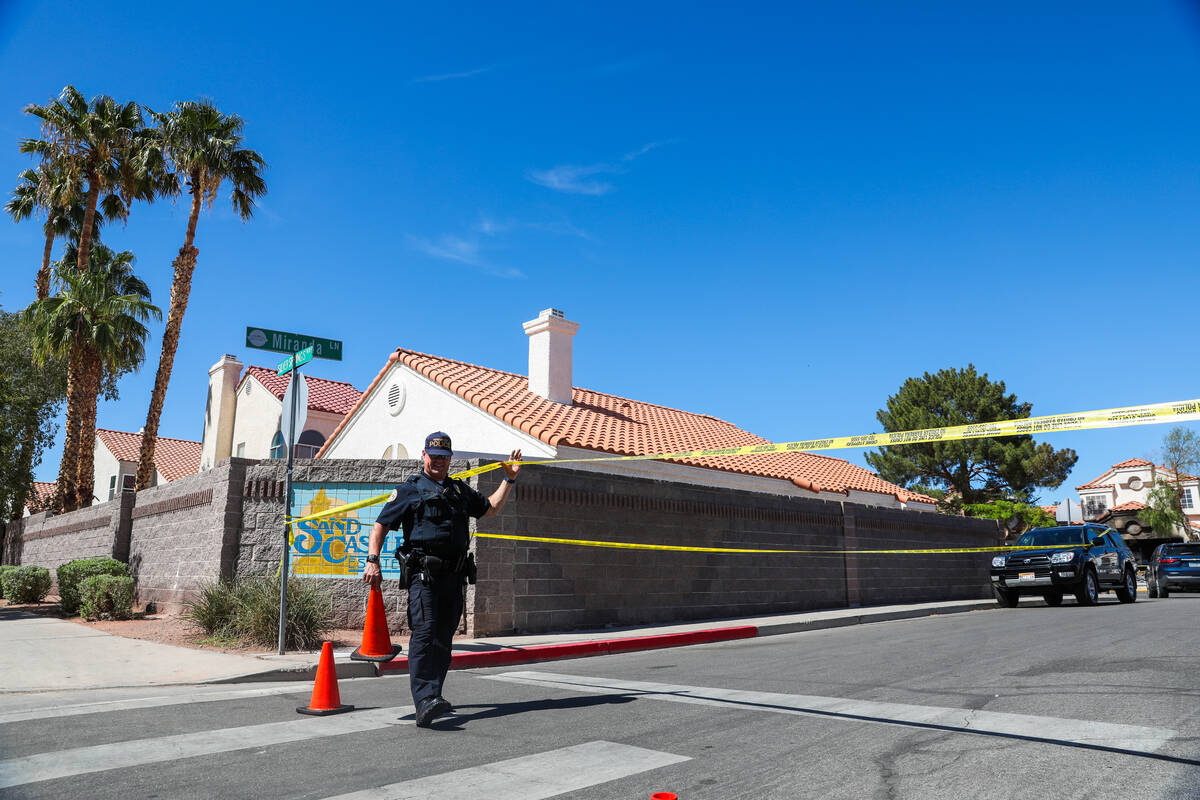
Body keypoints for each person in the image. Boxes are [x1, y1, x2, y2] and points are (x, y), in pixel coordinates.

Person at [361, 431, 521, 727]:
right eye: (433, 457)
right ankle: (424, 700)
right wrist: (372, 560)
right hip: (424, 576)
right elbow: (380, 526)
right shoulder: (410, 490)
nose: (438, 462)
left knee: (443, 639)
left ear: (450, 460)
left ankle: (433, 697)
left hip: (454, 576)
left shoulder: (458, 491)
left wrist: (508, 479)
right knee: (424, 635)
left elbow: (491, 508)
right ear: (424, 456)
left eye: (444, 458)